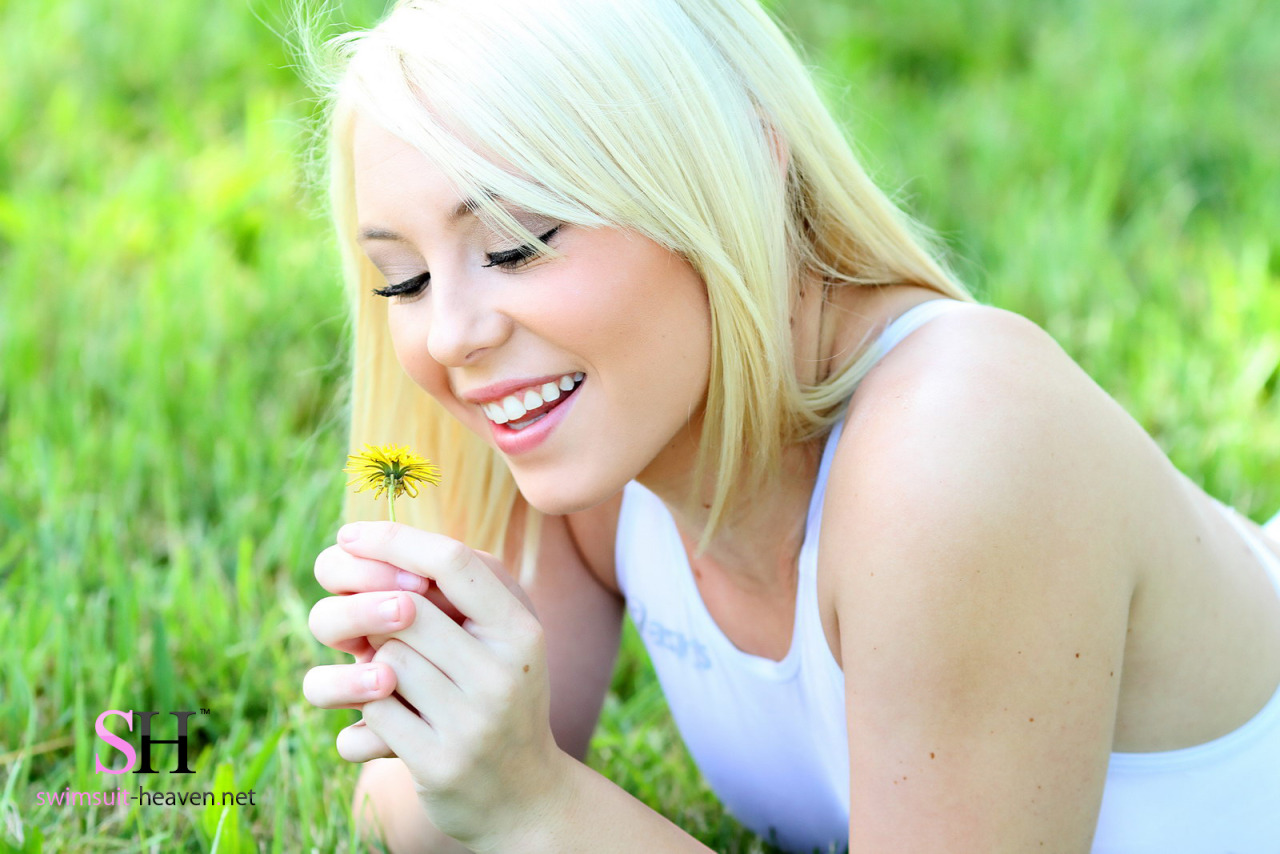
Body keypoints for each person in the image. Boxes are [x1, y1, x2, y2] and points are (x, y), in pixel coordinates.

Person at [300, 0, 1280, 851]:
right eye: (406, 277)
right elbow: (412, 811)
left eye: (514, 243)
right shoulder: (590, 449)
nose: (453, 334)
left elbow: (515, 804)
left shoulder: (956, 444)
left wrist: (540, 805)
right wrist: (437, 711)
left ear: (736, 168)